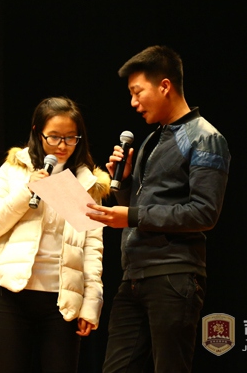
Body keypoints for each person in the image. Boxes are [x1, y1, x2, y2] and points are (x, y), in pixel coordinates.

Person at [86, 46, 231, 372]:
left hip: (173, 276)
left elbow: (204, 213)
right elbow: (137, 209)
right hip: (133, 277)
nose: (133, 102)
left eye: (137, 92)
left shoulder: (205, 138)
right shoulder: (151, 140)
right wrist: (124, 183)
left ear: (165, 85)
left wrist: (132, 215)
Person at [0, 97, 110, 373]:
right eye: (54, 137)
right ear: (38, 133)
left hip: (60, 302)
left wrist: (91, 303)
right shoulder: (15, 169)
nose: (62, 146)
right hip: (13, 295)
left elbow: (92, 249)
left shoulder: (85, 182)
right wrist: (26, 190)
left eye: (70, 138)